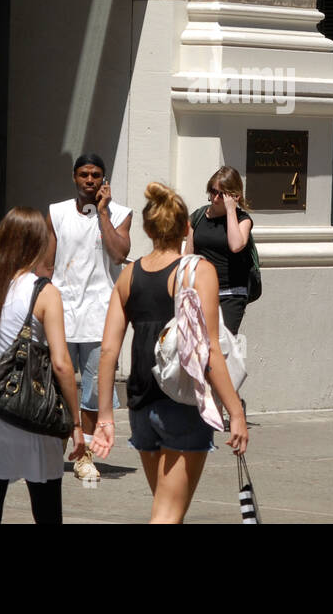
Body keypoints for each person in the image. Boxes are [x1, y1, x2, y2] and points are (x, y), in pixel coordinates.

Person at [91, 183, 247, 523]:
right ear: (185, 228)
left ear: (147, 229)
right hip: (182, 401)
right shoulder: (197, 271)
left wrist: (104, 415)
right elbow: (209, 350)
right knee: (167, 515)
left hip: (140, 403)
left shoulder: (128, 275)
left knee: (165, 509)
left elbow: (107, 350)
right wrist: (234, 411)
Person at [0, 208, 86, 524]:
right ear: (38, 244)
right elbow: (62, 363)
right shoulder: (44, 292)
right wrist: (76, 423)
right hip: (32, 414)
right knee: (47, 510)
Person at [45, 153, 132, 484]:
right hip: (62, 313)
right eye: (84, 174)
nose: (90, 180)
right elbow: (47, 264)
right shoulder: (57, 213)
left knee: (94, 394)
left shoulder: (120, 214)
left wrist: (104, 213)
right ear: (74, 176)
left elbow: (119, 253)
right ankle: (55, 451)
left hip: (99, 315)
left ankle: (85, 456)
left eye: (96, 175)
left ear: (104, 179)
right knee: (57, 391)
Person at [185, 165, 255, 336]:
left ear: (234, 196)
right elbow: (188, 255)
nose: (215, 198)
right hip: (201, 291)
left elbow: (236, 245)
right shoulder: (198, 217)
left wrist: (231, 210)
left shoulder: (242, 220)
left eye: (221, 194)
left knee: (222, 345)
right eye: (213, 191)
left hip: (231, 294)